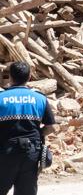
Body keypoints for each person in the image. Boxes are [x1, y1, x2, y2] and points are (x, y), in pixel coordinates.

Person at [0, 61, 56, 195]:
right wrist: (38, 134)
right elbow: (51, 127)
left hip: (6, 152)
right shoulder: (40, 98)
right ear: (29, 77)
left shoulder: (1, 98)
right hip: (31, 153)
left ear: (11, 77)